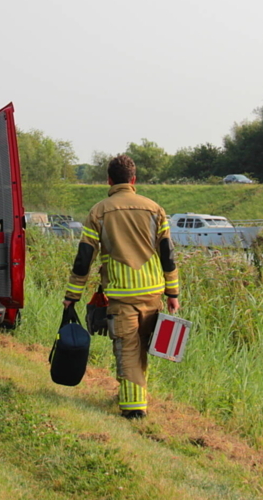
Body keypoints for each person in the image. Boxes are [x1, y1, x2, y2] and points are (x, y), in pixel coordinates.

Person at [63, 154, 180, 420]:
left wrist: (72, 295)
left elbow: (84, 258)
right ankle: (135, 397)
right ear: (133, 180)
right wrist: (173, 293)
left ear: (109, 180)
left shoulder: (99, 211)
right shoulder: (155, 209)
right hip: (153, 291)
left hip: (121, 295)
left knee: (127, 348)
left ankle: (133, 408)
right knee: (142, 348)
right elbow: (168, 254)